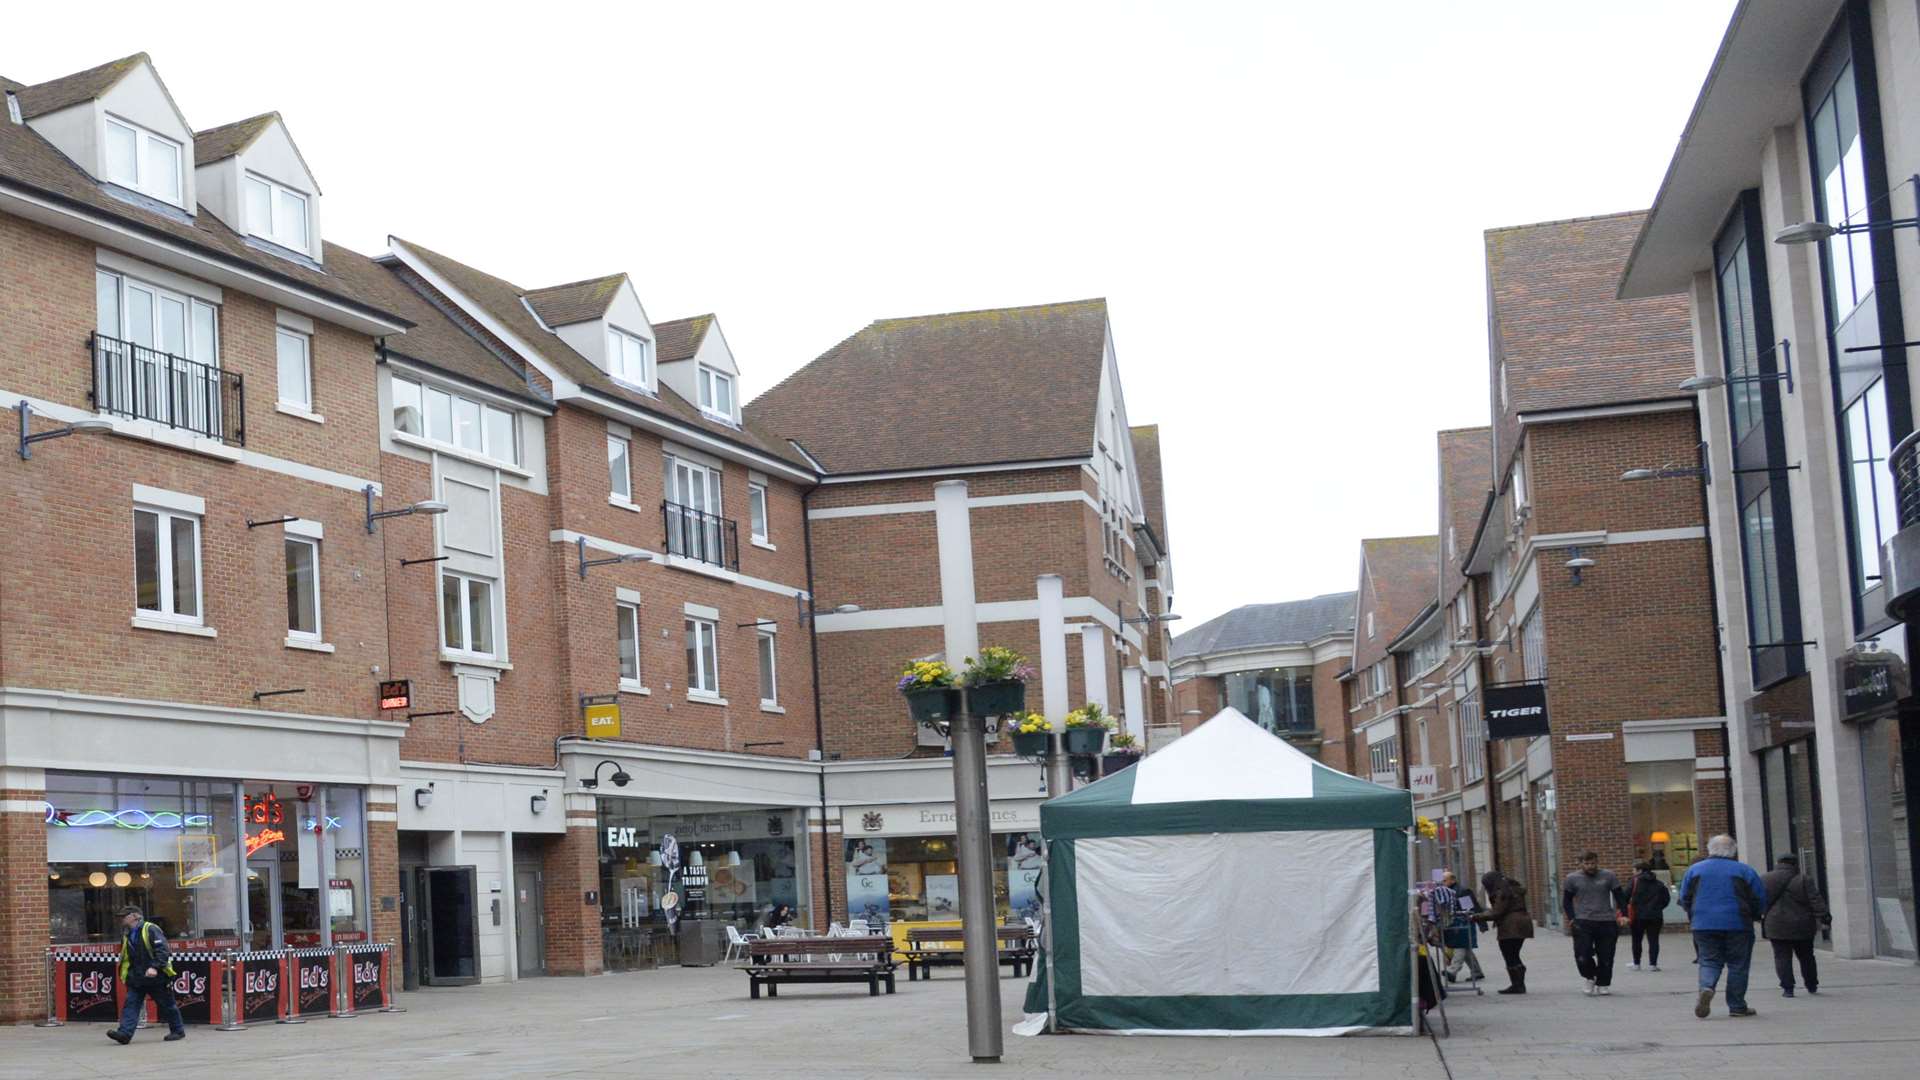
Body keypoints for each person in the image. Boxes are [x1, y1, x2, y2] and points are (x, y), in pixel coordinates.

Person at [1679, 833, 1768, 1020]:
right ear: (1733, 850)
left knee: (1709, 960)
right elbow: (1759, 898)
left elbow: (1684, 897)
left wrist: (1694, 913)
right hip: (1738, 923)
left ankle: (1706, 987)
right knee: (1738, 965)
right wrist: (1756, 914)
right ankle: (1736, 1006)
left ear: (1710, 849)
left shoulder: (1695, 870)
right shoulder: (1744, 871)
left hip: (1703, 923)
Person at [109, 905, 185, 1044]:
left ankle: (178, 1031)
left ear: (135, 916)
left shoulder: (150, 929)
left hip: (156, 977)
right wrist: (128, 975)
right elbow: (128, 956)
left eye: (124, 916)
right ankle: (124, 1033)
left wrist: (154, 967)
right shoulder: (127, 933)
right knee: (130, 1005)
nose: (121, 919)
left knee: (167, 1005)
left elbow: (163, 950)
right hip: (137, 977)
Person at [1761, 853, 1828, 998]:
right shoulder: (1803, 879)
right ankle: (1811, 984)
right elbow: (1815, 900)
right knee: (1806, 956)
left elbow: (1760, 900)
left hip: (1776, 924)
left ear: (1778, 862)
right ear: (1795, 864)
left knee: (1781, 956)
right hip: (1802, 923)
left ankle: (1788, 988)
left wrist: (1758, 916)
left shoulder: (1766, 878)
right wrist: (1824, 917)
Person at [1562, 852, 1627, 996]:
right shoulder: (1572, 878)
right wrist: (1572, 918)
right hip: (1583, 921)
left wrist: (1624, 914)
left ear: (1597, 862)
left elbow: (1620, 896)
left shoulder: (1608, 876)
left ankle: (1603, 983)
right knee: (1582, 954)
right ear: (1581, 863)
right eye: (1587, 863)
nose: (1590, 866)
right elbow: (1567, 900)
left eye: (1593, 863)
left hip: (1607, 921)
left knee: (1606, 955)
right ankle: (1589, 977)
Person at [1474, 871, 1534, 994]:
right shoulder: (1514, 887)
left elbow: (1497, 912)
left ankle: (1517, 985)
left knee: (1509, 954)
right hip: (1523, 922)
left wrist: (1477, 916)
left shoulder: (1502, 892)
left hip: (1511, 925)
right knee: (1514, 953)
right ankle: (1518, 983)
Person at [1625, 858, 1672, 972]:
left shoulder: (1634, 881)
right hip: (1655, 915)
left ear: (1640, 870)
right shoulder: (1659, 883)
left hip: (1638, 915)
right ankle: (1653, 964)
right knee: (1654, 940)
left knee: (1636, 940)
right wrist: (1658, 907)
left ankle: (1637, 964)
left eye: (1634, 870)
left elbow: (1625, 896)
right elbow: (1666, 899)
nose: (1633, 872)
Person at [1439, 870, 1484, 983]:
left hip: (1463, 923)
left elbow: (1469, 908)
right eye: (1442, 880)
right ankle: (1477, 972)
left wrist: (1481, 924)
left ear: (1453, 880)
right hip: (1457, 924)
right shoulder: (1448, 891)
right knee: (1465, 947)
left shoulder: (1462, 891)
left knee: (1460, 945)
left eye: (1445, 880)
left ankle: (1452, 971)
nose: (1443, 883)